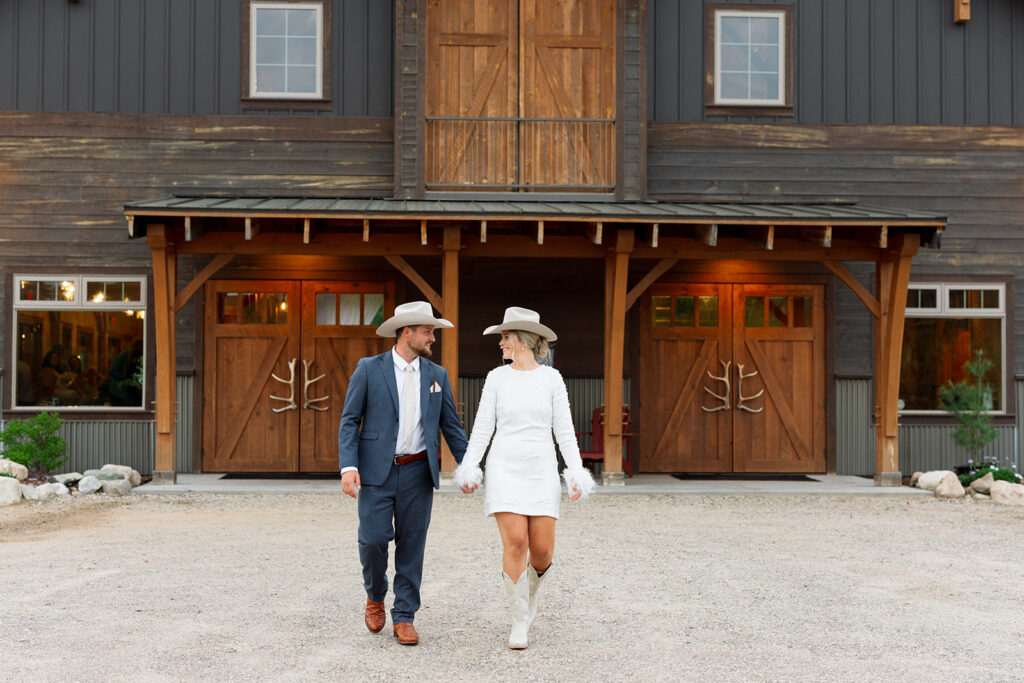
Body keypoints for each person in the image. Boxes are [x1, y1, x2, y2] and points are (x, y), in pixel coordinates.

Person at [453, 306, 595, 650]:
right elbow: (483, 426)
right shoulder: (496, 378)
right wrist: (470, 467)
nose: (500, 343)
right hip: (505, 467)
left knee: (542, 551)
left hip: (541, 469)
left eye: (504, 337)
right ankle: (519, 621)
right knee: (516, 542)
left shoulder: (552, 379)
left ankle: (529, 599)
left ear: (522, 340)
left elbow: (563, 429)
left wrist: (575, 471)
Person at [338, 301, 468, 646]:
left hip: (418, 474)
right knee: (373, 540)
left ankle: (405, 616)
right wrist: (348, 466)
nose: (433, 339)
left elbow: (451, 426)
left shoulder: (437, 375)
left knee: (412, 545)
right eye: (428, 331)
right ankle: (375, 594)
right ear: (406, 332)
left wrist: (470, 466)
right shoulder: (368, 368)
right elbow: (350, 420)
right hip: (376, 473)